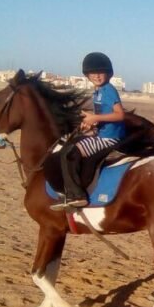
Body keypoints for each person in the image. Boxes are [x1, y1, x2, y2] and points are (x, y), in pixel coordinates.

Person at [51, 52, 126, 211]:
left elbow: (120, 115)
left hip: (109, 138)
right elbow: (102, 115)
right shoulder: (97, 91)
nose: (97, 76)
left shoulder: (108, 90)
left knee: (70, 153)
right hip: (102, 133)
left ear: (108, 73)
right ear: (87, 75)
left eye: (100, 72)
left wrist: (95, 118)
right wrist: (91, 122)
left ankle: (77, 195)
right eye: (93, 73)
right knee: (70, 142)